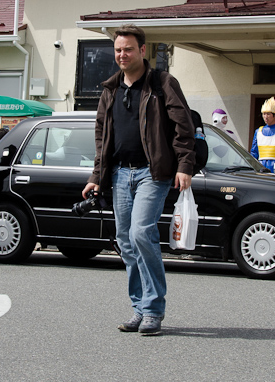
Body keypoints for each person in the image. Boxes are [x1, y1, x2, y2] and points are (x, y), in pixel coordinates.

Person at [82, 24, 196, 337]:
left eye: (128, 49)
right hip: (119, 174)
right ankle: (139, 308)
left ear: (142, 50)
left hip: (152, 173)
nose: (122, 54)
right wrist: (96, 175)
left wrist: (185, 164)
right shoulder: (110, 89)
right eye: (118, 50)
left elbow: (183, 127)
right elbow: (101, 135)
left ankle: (154, 310)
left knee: (141, 233)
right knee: (126, 242)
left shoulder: (162, 83)